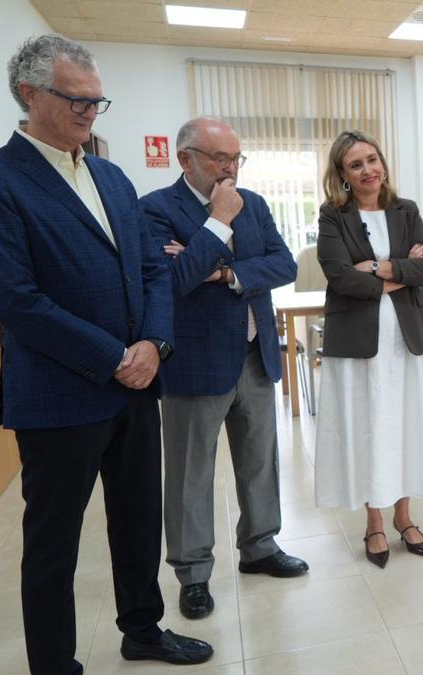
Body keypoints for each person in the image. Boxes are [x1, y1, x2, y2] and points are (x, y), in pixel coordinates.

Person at [0, 35, 211, 672]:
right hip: (59, 394)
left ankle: (143, 631)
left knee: (137, 520)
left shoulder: (110, 175)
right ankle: (54, 663)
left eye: (98, 102)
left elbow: (153, 270)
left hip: (135, 385)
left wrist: (153, 344)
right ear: (29, 94)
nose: (90, 114)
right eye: (77, 101)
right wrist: (113, 356)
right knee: (53, 543)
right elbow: (15, 299)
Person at [140, 116, 308, 619]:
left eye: (237, 158)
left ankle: (260, 547)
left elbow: (285, 264)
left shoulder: (253, 204)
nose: (230, 168)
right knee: (192, 473)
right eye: (220, 159)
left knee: (259, 460)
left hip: (254, 356)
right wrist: (216, 224)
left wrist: (225, 271)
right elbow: (171, 281)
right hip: (194, 364)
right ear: (185, 158)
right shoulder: (154, 211)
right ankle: (193, 574)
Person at [314, 130, 423, 568]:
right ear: (343, 174)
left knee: (405, 422)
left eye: (372, 159)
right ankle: (374, 522)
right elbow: (340, 277)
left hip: (406, 338)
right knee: (369, 425)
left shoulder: (405, 210)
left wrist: (374, 268)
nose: (368, 170)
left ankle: (404, 517)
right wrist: (400, 274)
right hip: (358, 342)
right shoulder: (332, 216)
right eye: (356, 164)